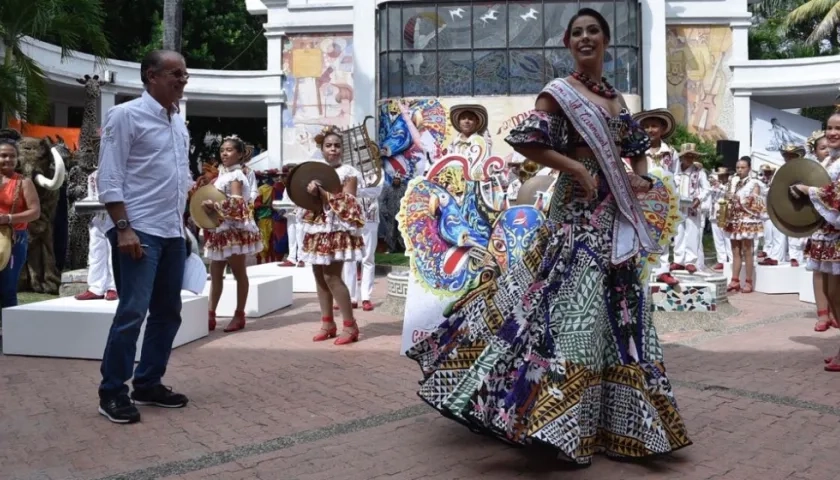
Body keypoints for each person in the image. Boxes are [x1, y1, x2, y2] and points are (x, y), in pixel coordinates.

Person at [405, 8, 690, 465]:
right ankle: (552, 420)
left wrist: (640, 177)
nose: (585, 37)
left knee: (613, 310)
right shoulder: (558, 94)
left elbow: (636, 150)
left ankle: (615, 422)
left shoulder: (617, 100)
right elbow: (526, 142)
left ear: (605, 39)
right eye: (576, 32)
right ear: (568, 42)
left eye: (593, 30)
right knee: (570, 308)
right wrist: (575, 166)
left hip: (612, 215)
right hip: (575, 213)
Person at [96, 49, 193, 424]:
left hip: (171, 231)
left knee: (168, 312)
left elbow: (178, 178)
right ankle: (112, 391)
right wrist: (123, 228)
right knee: (132, 312)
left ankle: (149, 382)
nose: (183, 80)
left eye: (185, 74)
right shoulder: (125, 116)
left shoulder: (177, 121)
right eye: (176, 73)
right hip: (137, 231)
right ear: (151, 76)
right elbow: (110, 177)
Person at [301, 126, 365, 345]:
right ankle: (327, 323)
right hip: (317, 228)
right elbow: (305, 200)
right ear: (322, 149)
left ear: (343, 149)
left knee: (332, 276)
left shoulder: (349, 173)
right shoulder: (314, 172)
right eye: (328, 146)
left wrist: (323, 193)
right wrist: (309, 192)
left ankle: (350, 325)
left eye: (337, 145)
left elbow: (349, 201)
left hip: (337, 229)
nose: (333, 149)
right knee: (318, 276)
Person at [790, 111, 840, 370]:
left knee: (837, 293)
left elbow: (836, 194)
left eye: (838, 128)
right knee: (832, 292)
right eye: (830, 128)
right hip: (829, 232)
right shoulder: (831, 161)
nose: (833, 133)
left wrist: (809, 190)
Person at [201, 135, 263, 333]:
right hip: (222, 229)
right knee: (216, 273)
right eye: (222, 150)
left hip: (234, 230)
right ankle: (211, 314)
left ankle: (239, 314)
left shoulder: (236, 176)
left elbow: (237, 204)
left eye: (229, 150)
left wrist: (214, 206)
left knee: (238, 273)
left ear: (239, 154)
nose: (224, 154)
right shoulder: (223, 175)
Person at [634, 108, 680, 285]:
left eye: (654, 126)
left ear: (662, 128)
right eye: (646, 126)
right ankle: (639, 268)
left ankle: (663, 270)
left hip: (664, 199)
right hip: (641, 198)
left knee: (663, 233)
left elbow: (676, 176)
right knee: (639, 233)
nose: (650, 130)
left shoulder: (671, 152)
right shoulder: (638, 151)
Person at [0, 130, 41, 311]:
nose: (8, 160)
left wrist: (8, 218)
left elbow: (35, 212)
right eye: (3, 156)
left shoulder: (24, 182)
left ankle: (7, 332)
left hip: (15, 239)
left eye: (12, 156)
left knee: (7, 288)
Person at [805, 130, 838, 332]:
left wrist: (808, 190)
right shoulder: (816, 168)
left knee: (835, 278)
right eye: (822, 148)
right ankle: (822, 313)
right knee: (819, 272)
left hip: (835, 226)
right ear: (815, 151)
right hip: (819, 226)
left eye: (828, 146)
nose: (826, 150)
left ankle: (834, 312)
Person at [722, 156, 764, 293]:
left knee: (747, 251)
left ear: (749, 168)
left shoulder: (754, 183)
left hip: (747, 219)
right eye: (738, 167)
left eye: (743, 167)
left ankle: (749, 281)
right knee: (735, 251)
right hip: (734, 219)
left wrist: (738, 199)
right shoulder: (734, 183)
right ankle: (735, 280)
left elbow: (755, 202)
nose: (739, 170)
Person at [341, 173, 383, 312]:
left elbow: (377, 190)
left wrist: (355, 191)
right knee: (349, 258)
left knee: (368, 258)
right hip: (351, 218)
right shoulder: (348, 170)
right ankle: (351, 297)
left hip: (370, 219)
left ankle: (366, 297)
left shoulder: (377, 171)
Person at [75, 169, 118, 301]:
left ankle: (113, 287)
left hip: (115, 217)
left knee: (113, 254)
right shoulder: (93, 175)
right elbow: (92, 196)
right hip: (98, 218)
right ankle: (96, 287)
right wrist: (82, 205)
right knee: (95, 253)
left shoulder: (121, 172)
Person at [672, 144, 710, 274]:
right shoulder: (675, 172)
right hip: (678, 206)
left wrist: (699, 198)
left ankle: (690, 261)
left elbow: (707, 189)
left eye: (691, 156)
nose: (689, 158)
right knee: (678, 232)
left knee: (692, 232)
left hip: (692, 206)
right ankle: (678, 260)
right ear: (681, 157)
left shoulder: (699, 173)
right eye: (686, 156)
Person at [708, 167, 733, 270]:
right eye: (719, 175)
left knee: (727, 238)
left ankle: (731, 260)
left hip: (726, 214)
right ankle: (721, 260)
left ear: (727, 175)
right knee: (718, 239)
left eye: (722, 175)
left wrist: (720, 186)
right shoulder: (714, 185)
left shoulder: (730, 185)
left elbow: (730, 195)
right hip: (715, 214)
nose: (720, 177)